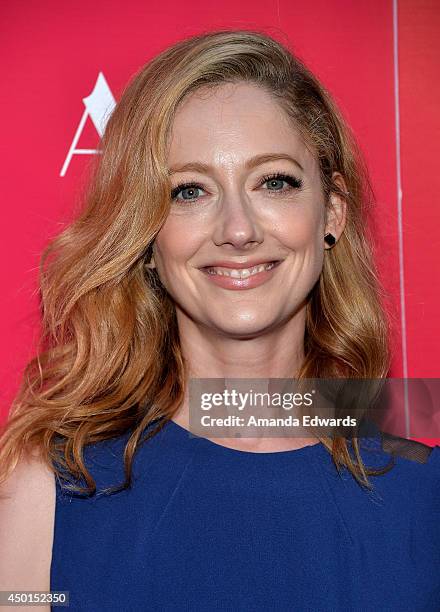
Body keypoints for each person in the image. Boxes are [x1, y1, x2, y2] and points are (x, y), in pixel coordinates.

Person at [0, 29, 439, 612]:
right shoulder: (48, 491)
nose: (237, 229)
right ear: (145, 235)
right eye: (189, 191)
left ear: (330, 211)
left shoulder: (423, 496)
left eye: (274, 182)